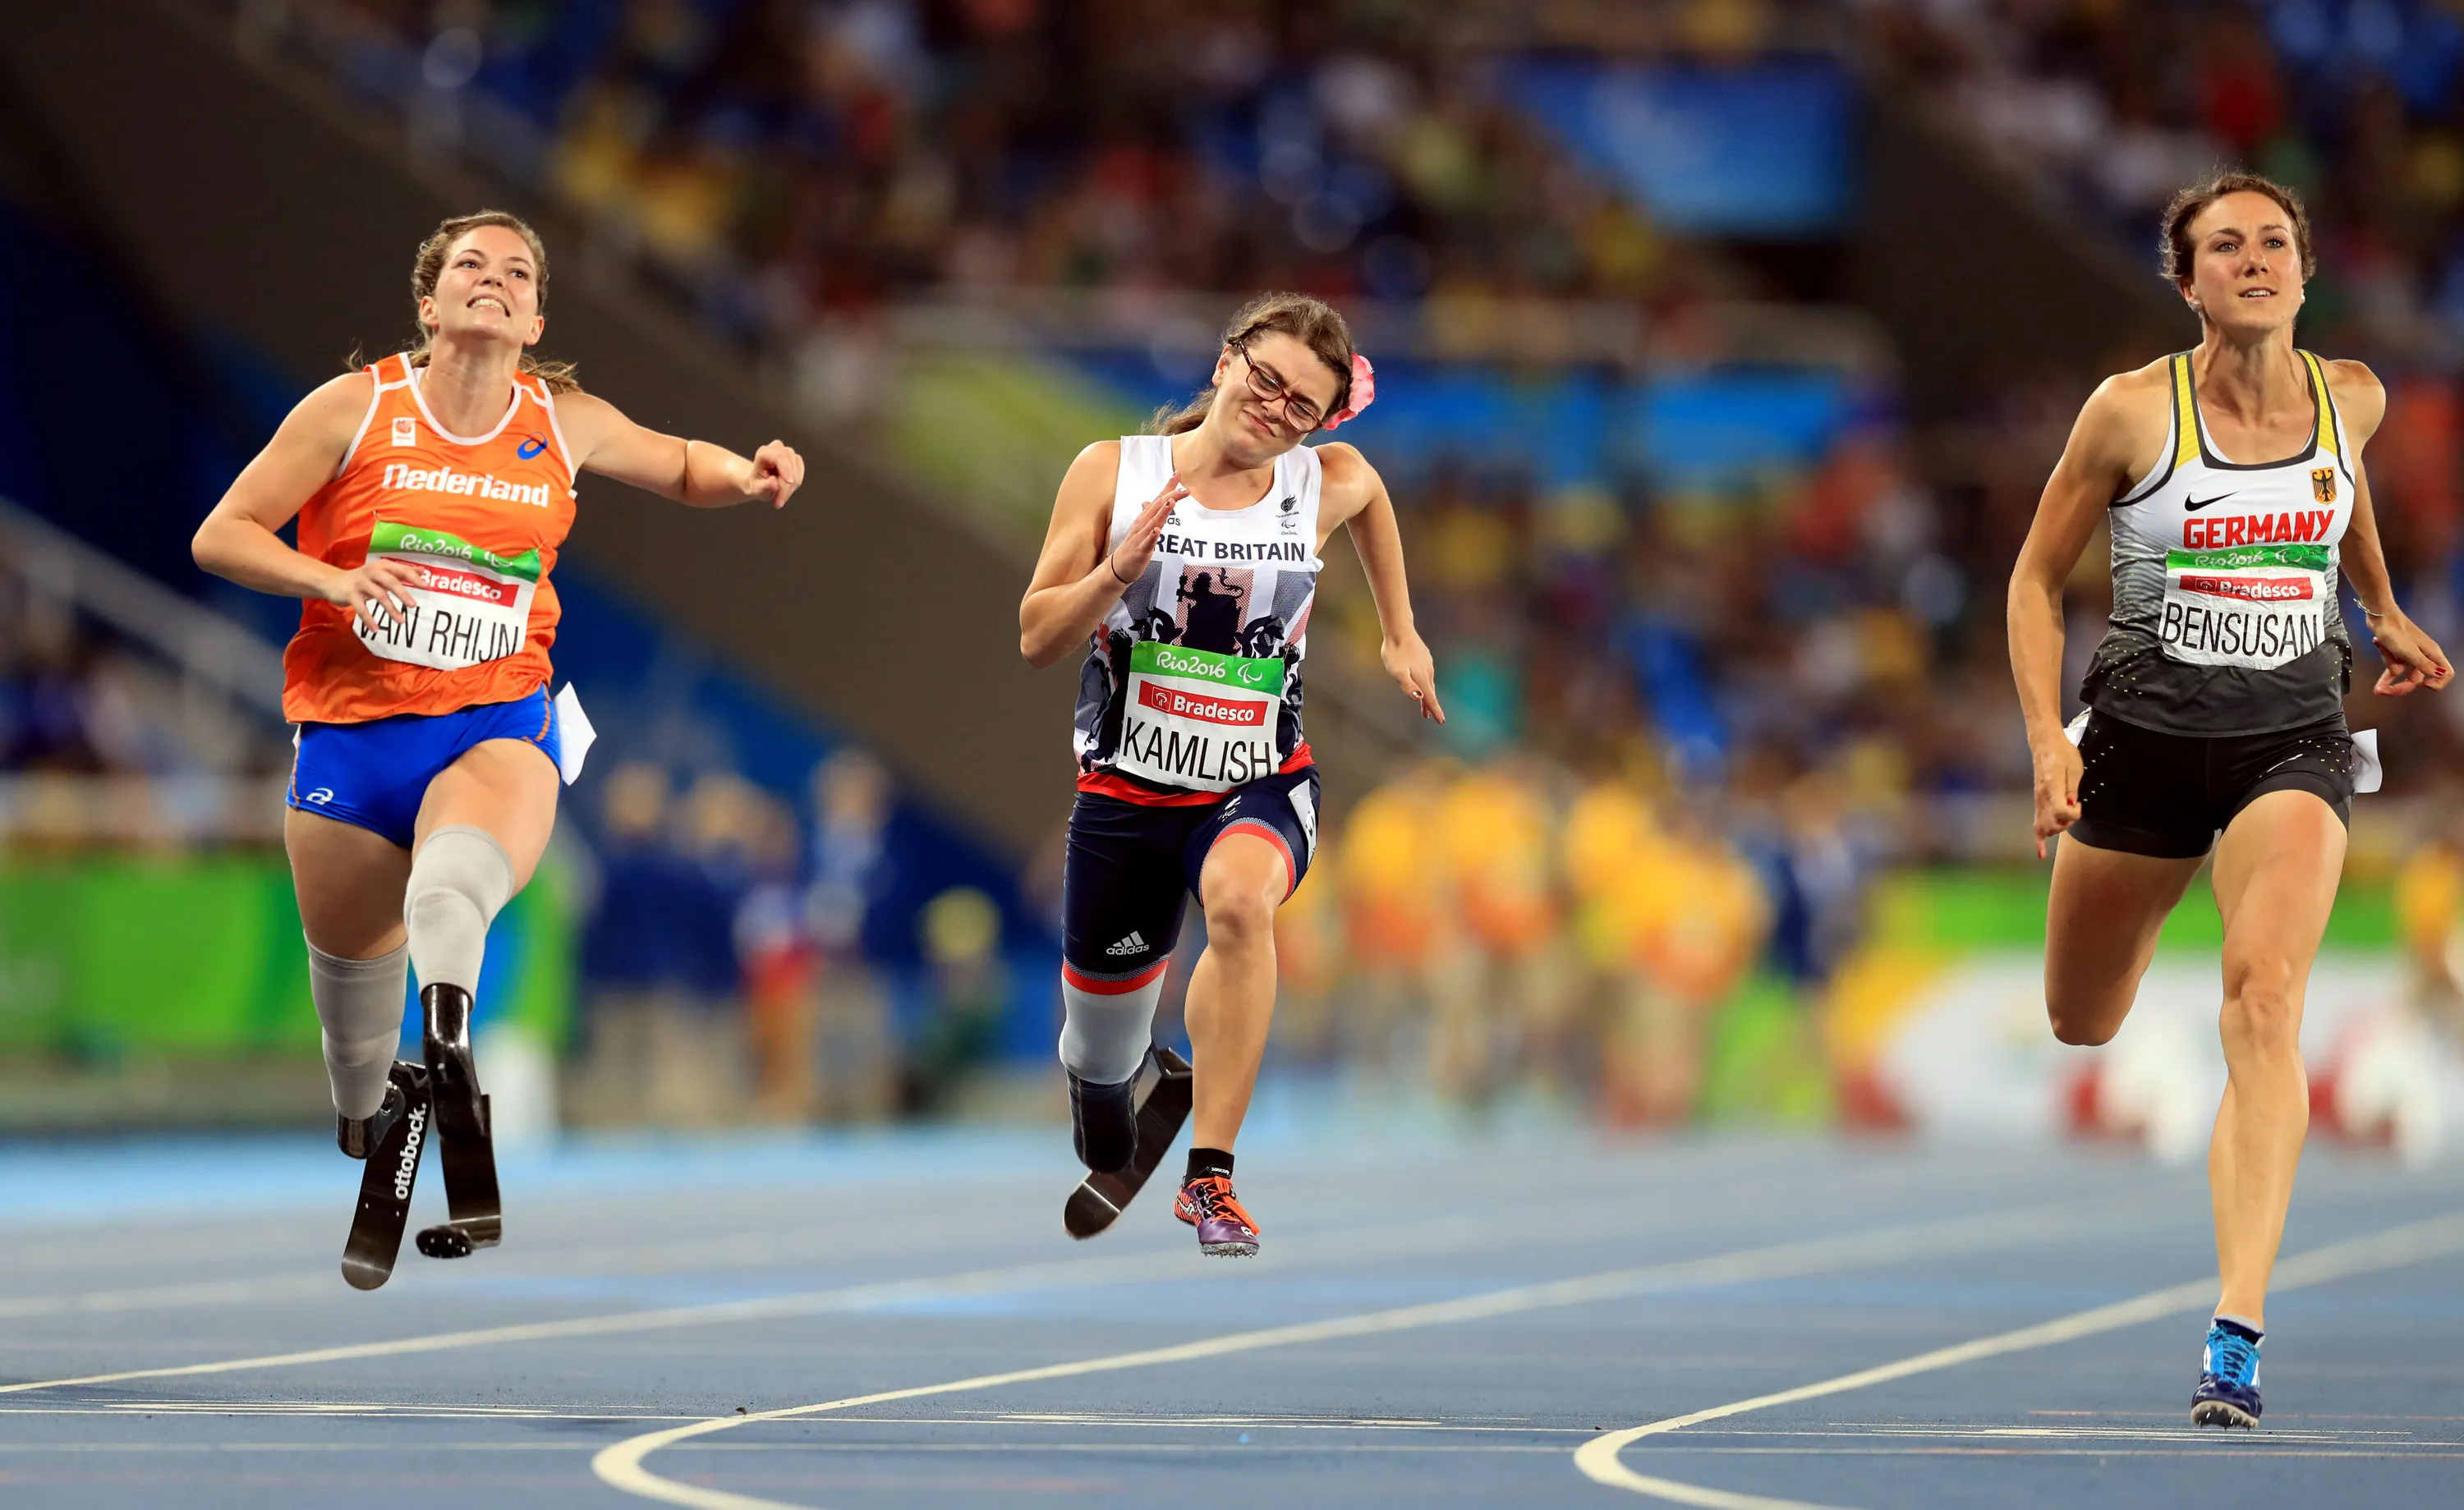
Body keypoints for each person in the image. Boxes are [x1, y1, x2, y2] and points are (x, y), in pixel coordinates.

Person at [193, 210, 803, 1249]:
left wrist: (746, 473)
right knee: (353, 1070)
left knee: (450, 890)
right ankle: (381, 1102)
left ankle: (448, 1049)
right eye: (470, 265)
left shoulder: (564, 420)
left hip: (495, 719)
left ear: (535, 320)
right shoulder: (353, 407)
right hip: (351, 739)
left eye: (517, 273)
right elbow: (222, 535)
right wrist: (332, 579)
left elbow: (678, 463)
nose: (494, 279)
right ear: (429, 304)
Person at [2006, 172, 2451, 1427]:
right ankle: (2132, 901)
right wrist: (2045, 743)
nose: (2253, 260)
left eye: (2273, 243)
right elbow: (2033, 582)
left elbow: (2345, 490)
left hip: (2291, 743)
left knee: (2263, 1001)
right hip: (2140, 747)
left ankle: (2237, 1329)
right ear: (2188, 280)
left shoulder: (2350, 397)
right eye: (2225, 247)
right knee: (2081, 1017)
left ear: (2305, 271)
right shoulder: (2129, 414)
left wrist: (2380, 605)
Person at [1018, 291, 1441, 1257]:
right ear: (1226, 362)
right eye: (1267, 381)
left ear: (1321, 421)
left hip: (1258, 779)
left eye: (1303, 405)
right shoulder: (1112, 472)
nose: (1276, 409)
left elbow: (1371, 496)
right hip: (1126, 796)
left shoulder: (1321, 480)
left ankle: (1210, 1174)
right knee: (1100, 1074)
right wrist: (1116, 570)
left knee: (1242, 906)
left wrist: (1400, 633)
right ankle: (1123, 1088)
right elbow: (1038, 637)